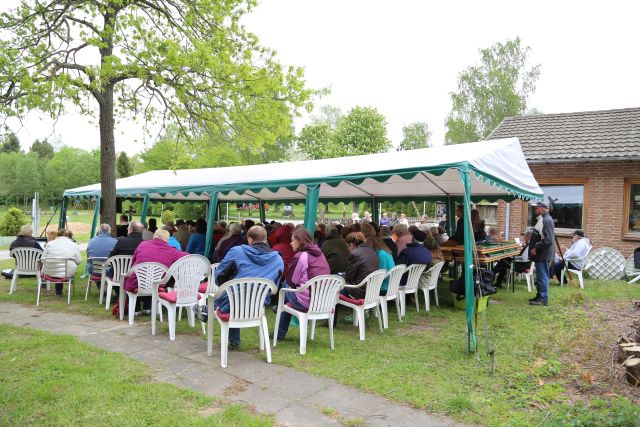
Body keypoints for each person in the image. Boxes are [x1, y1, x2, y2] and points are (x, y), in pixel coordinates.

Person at [215, 226, 284, 349]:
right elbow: (275, 286)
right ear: (266, 239)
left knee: (232, 293)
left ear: (250, 239)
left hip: (230, 303)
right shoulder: (278, 259)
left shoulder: (236, 252)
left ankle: (205, 309)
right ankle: (234, 341)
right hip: (258, 304)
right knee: (238, 292)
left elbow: (219, 277)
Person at [275, 228, 330, 340]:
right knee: (288, 290)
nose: (290, 243)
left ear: (299, 241)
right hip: (324, 301)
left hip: (306, 302)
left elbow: (292, 281)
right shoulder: (320, 254)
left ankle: (280, 329)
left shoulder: (301, 256)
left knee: (285, 286)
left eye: (292, 240)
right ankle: (280, 313)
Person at [123, 229, 186, 306]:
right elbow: (187, 256)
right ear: (167, 239)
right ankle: (148, 307)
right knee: (157, 281)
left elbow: (133, 262)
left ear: (154, 236)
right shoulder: (172, 251)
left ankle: (137, 308)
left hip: (136, 282)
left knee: (146, 278)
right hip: (157, 284)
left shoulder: (143, 244)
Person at [529, 201, 556, 306]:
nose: (535, 209)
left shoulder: (547, 220)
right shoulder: (543, 219)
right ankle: (539, 296)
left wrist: (536, 247)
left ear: (542, 208)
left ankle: (543, 299)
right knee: (540, 276)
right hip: (541, 254)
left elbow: (548, 240)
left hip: (543, 254)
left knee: (543, 276)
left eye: (537, 208)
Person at [41, 229, 82, 296]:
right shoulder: (74, 245)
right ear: (68, 236)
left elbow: (43, 260)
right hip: (66, 273)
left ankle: (58, 292)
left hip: (50, 271)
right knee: (65, 267)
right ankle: (59, 292)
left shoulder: (49, 244)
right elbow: (79, 261)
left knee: (58, 267)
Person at [342, 232, 379, 296]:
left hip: (359, 290)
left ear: (351, 244)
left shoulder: (355, 254)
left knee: (334, 284)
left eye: (347, 246)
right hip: (372, 289)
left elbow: (348, 277)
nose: (348, 249)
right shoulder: (371, 250)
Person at [361, 224, 395, 295]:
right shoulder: (384, 250)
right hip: (390, 285)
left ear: (371, 244)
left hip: (383, 287)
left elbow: (382, 273)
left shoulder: (381, 254)